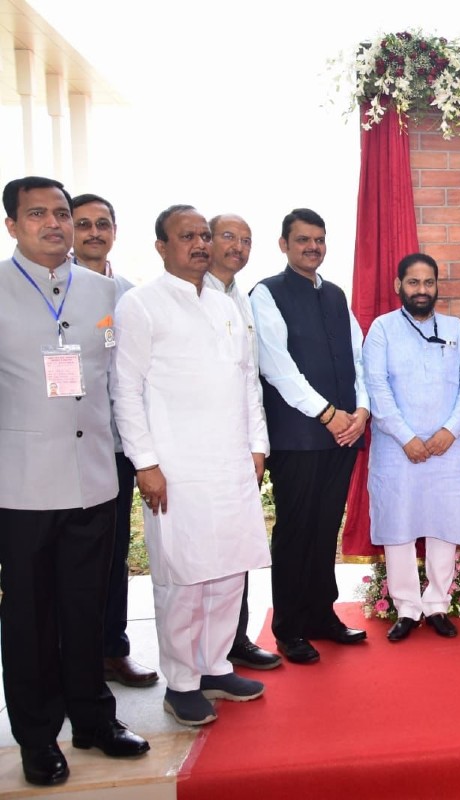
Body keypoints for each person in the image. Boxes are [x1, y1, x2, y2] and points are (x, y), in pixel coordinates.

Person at [0, 176, 149, 787]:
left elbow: (118, 375)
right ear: (12, 225)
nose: (55, 225)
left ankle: (94, 720)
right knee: (31, 620)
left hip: (95, 480)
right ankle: (38, 737)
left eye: (61, 213)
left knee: (87, 609)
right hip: (22, 487)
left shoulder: (105, 292)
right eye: (38, 214)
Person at [112, 205, 271, 726]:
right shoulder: (142, 304)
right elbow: (126, 389)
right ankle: (181, 681)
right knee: (183, 576)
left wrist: (258, 445)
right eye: (188, 236)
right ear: (161, 246)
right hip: (176, 467)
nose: (201, 244)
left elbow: (247, 381)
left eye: (205, 235)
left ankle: (215, 666)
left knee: (228, 572)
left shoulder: (227, 304)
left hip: (232, 463)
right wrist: (145, 463)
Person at [250, 208, 369, 664]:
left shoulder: (337, 295)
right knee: (296, 531)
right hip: (300, 435)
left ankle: (322, 615)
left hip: (343, 434)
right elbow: (276, 366)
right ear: (283, 244)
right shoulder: (267, 293)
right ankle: (290, 627)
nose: (312, 247)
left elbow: (358, 360)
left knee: (325, 529)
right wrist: (327, 413)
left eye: (319, 240)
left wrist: (361, 411)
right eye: (302, 240)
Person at [363, 253, 460, 640]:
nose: (421, 290)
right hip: (397, 449)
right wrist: (407, 437)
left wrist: (450, 430)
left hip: (446, 449)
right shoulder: (382, 329)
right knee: (398, 526)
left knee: (444, 523)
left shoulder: (455, 328)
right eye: (413, 283)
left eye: (428, 283)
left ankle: (436, 604)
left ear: (436, 287)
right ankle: (407, 609)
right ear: (399, 286)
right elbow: (376, 387)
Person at [69, 193, 160, 688]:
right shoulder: (54, 291)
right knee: (69, 557)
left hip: (119, 445)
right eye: (83, 224)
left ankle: (111, 648)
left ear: (115, 231)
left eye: (102, 223)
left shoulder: (129, 295)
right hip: (65, 448)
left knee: (113, 551)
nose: (93, 233)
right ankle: (68, 658)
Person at [204, 213, 282, 670]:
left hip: (242, 446)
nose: (237, 246)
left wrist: (258, 445)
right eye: (227, 237)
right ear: (206, 242)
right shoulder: (194, 296)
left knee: (236, 547)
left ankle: (235, 640)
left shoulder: (244, 298)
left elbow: (251, 379)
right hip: (203, 449)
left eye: (245, 240)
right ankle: (204, 654)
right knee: (204, 555)